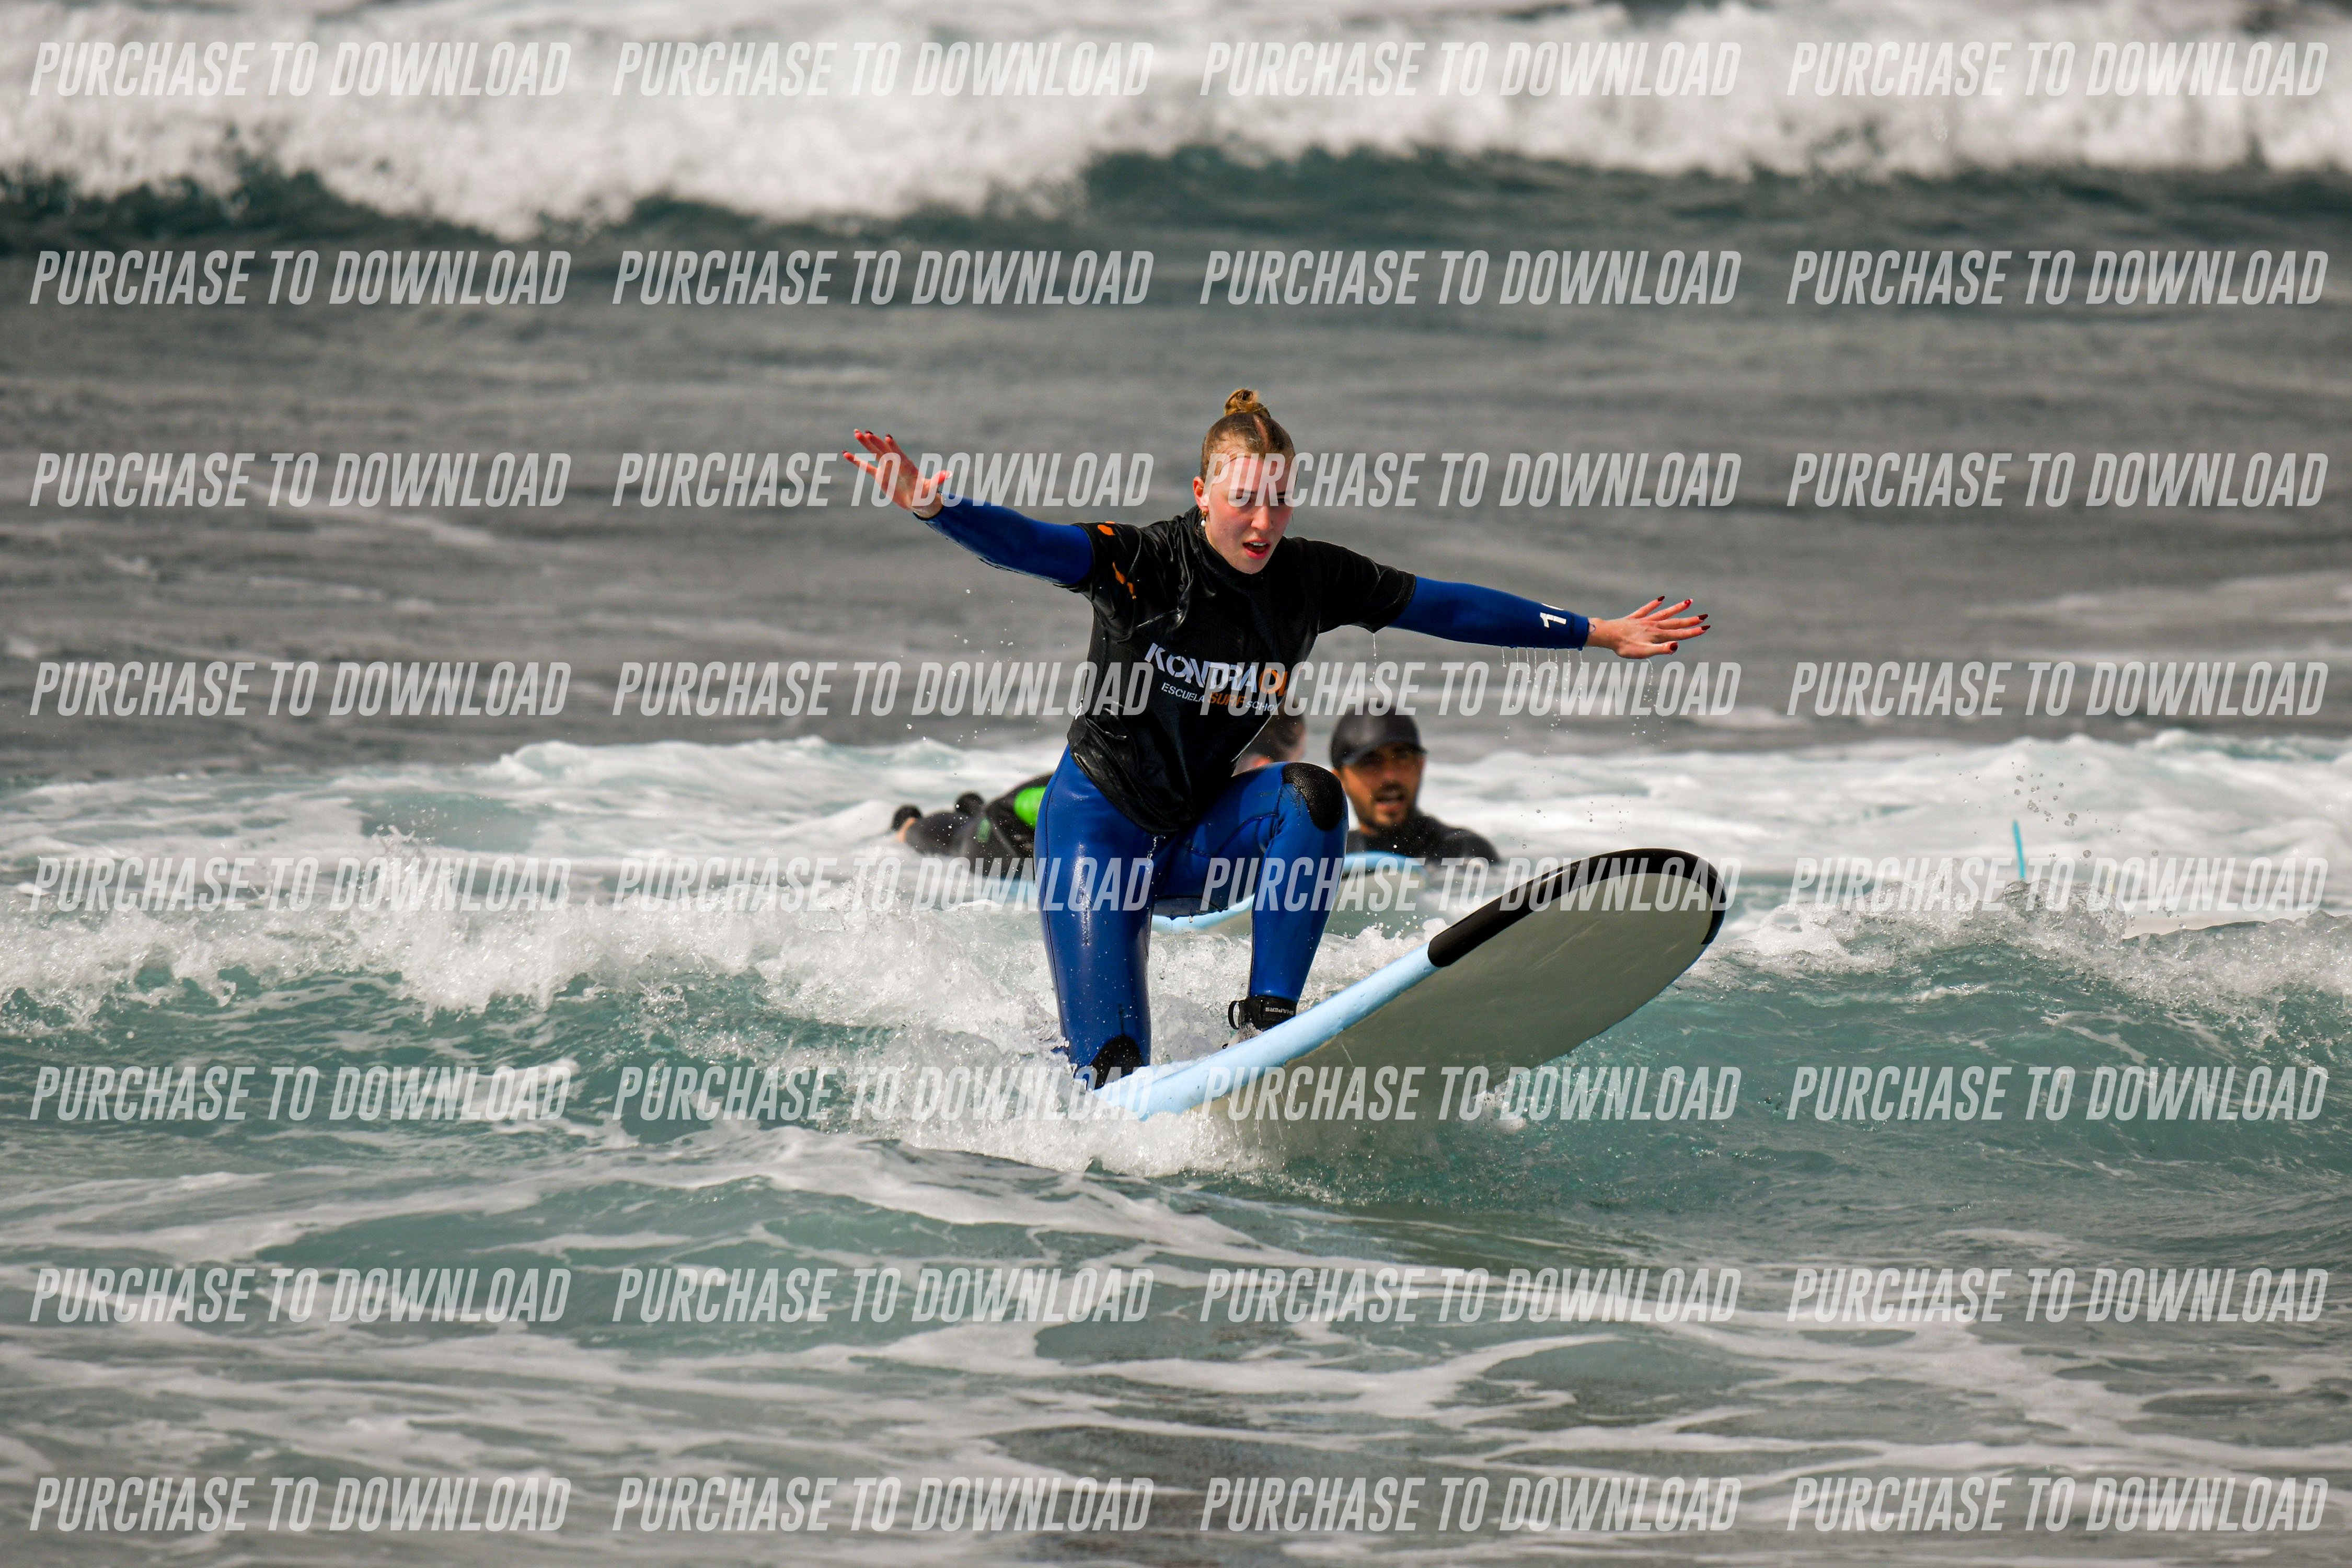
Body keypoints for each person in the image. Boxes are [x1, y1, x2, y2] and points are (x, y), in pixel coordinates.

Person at [844, 390, 1705, 1086]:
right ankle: (1069, 1057)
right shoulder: (1144, 564)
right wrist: (938, 508)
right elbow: (1033, 544)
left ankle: (1266, 1022)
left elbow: (1447, 605)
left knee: (1311, 796)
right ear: (1203, 494)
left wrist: (1596, 631)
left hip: (1197, 836)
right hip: (1096, 838)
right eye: (1244, 500)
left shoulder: (1310, 579)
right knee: (1109, 1075)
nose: (1264, 522)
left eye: (1280, 500)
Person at [1328, 710, 1498, 861]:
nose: (1390, 777)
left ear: (1421, 765)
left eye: (1402, 758)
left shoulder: (1464, 854)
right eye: (1370, 763)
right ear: (1339, 780)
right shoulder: (1330, 857)